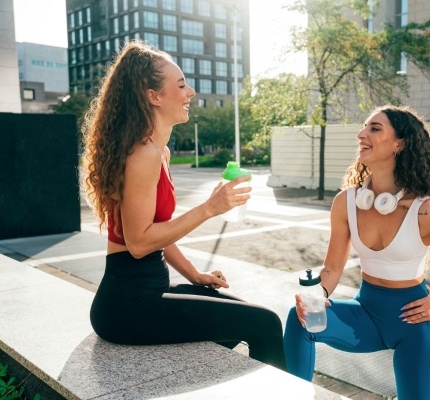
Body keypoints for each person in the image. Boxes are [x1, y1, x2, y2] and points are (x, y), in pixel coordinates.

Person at [81, 40, 286, 371]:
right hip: (127, 304)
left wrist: (195, 275)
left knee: (242, 315)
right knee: (264, 324)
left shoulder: (159, 153)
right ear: (154, 96)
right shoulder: (143, 155)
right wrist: (209, 208)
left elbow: (158, 232)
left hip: (150, 290)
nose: (190, 92)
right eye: (181, 85)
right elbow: (138, 243)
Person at [283, 104, 430, 398]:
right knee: (300, 319)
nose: (361, 134)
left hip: (416, 327)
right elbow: (332, 268)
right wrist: (318, 296)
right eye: (364, 127)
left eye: (374, 128)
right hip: (366, 314)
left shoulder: (428, 211)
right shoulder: (346, 202)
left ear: (400, 143)